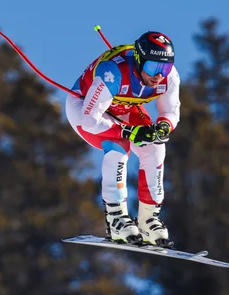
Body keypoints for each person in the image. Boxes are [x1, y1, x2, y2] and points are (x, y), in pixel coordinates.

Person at [64, 31, 180, 248]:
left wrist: (164, 126)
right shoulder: (113, 72)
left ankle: (149, 219)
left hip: (124, 106)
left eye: (164, 68)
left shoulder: (169, 77)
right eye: (153, 67)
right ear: (139, 60)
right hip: (85, 109)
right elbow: (90, 120)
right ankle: (116, 218)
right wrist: (127, 131)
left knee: (154, 146)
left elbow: (171, 110)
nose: (158, 75)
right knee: (119, 148)